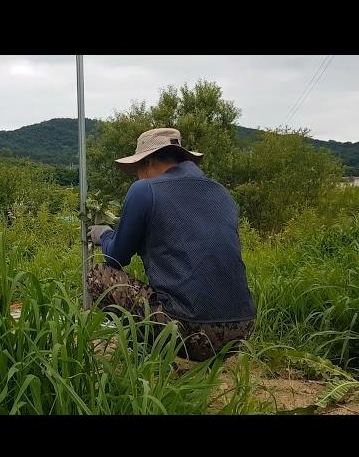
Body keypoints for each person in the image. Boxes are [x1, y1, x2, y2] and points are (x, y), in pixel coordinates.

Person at [87, 128, 256, 361]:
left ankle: (148, 355)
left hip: (192, 332)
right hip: (242, 331)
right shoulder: (221, 192)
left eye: (137, 168)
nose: (137, 175)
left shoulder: (144, 190)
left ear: (148, 162)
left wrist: (104, 235)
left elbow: (117, 256)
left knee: (98, 277)